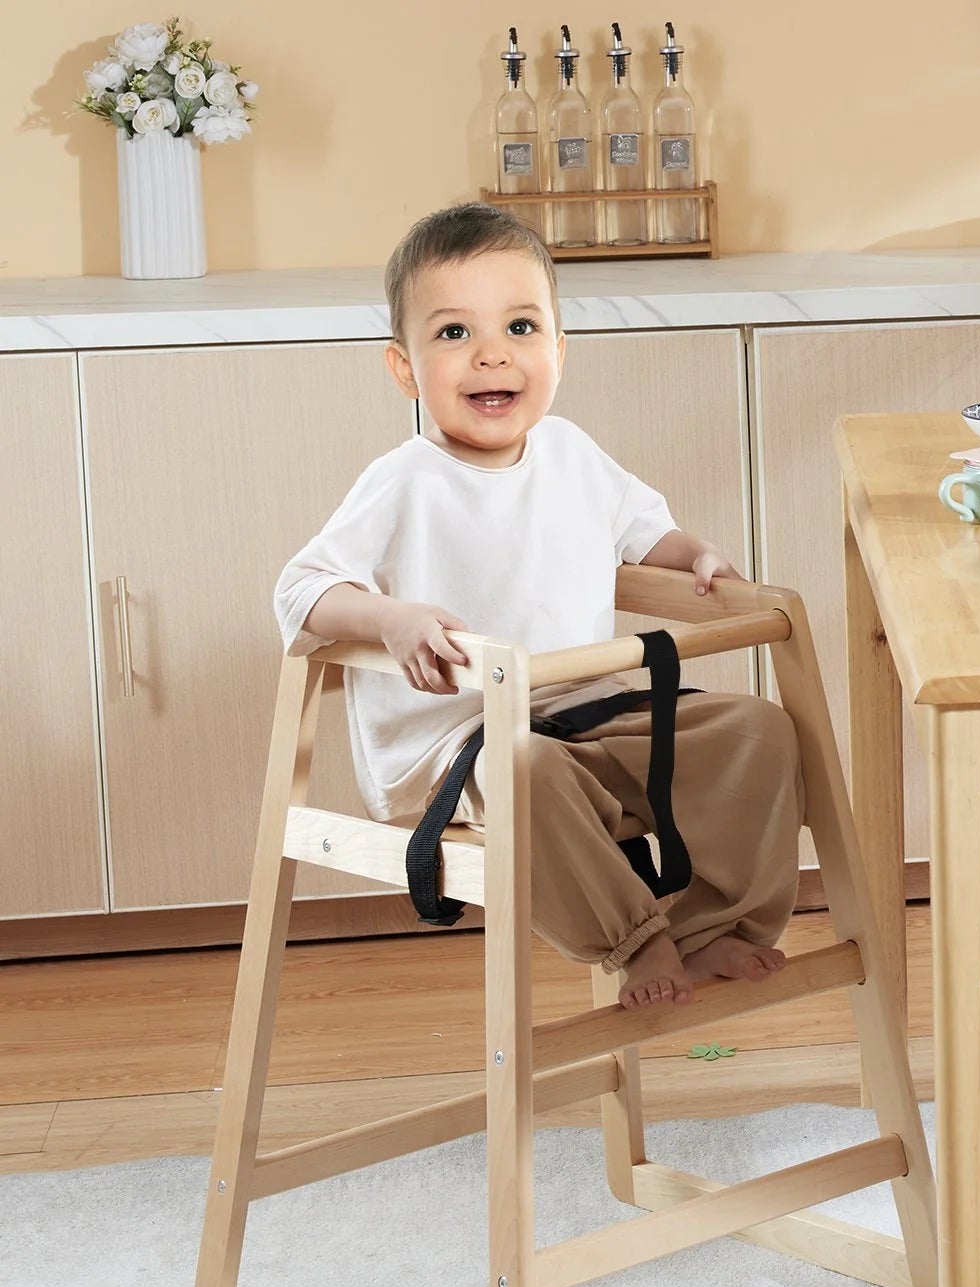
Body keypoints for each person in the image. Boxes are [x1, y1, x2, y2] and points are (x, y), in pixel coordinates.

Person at [274, 203, 801, 1011]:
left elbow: (643, 530)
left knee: (755, 730)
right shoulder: (404, 480)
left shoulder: (573, 453)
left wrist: (693, 553)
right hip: (468, 742)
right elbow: (301, 588)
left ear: (559, 350)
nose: (491, 354)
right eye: (453, 334)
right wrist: (392, 618)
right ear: (405, 369)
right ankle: (633, 938)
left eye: (520, 327)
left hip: (594, 711)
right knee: (529, 767)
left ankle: (714, 925)